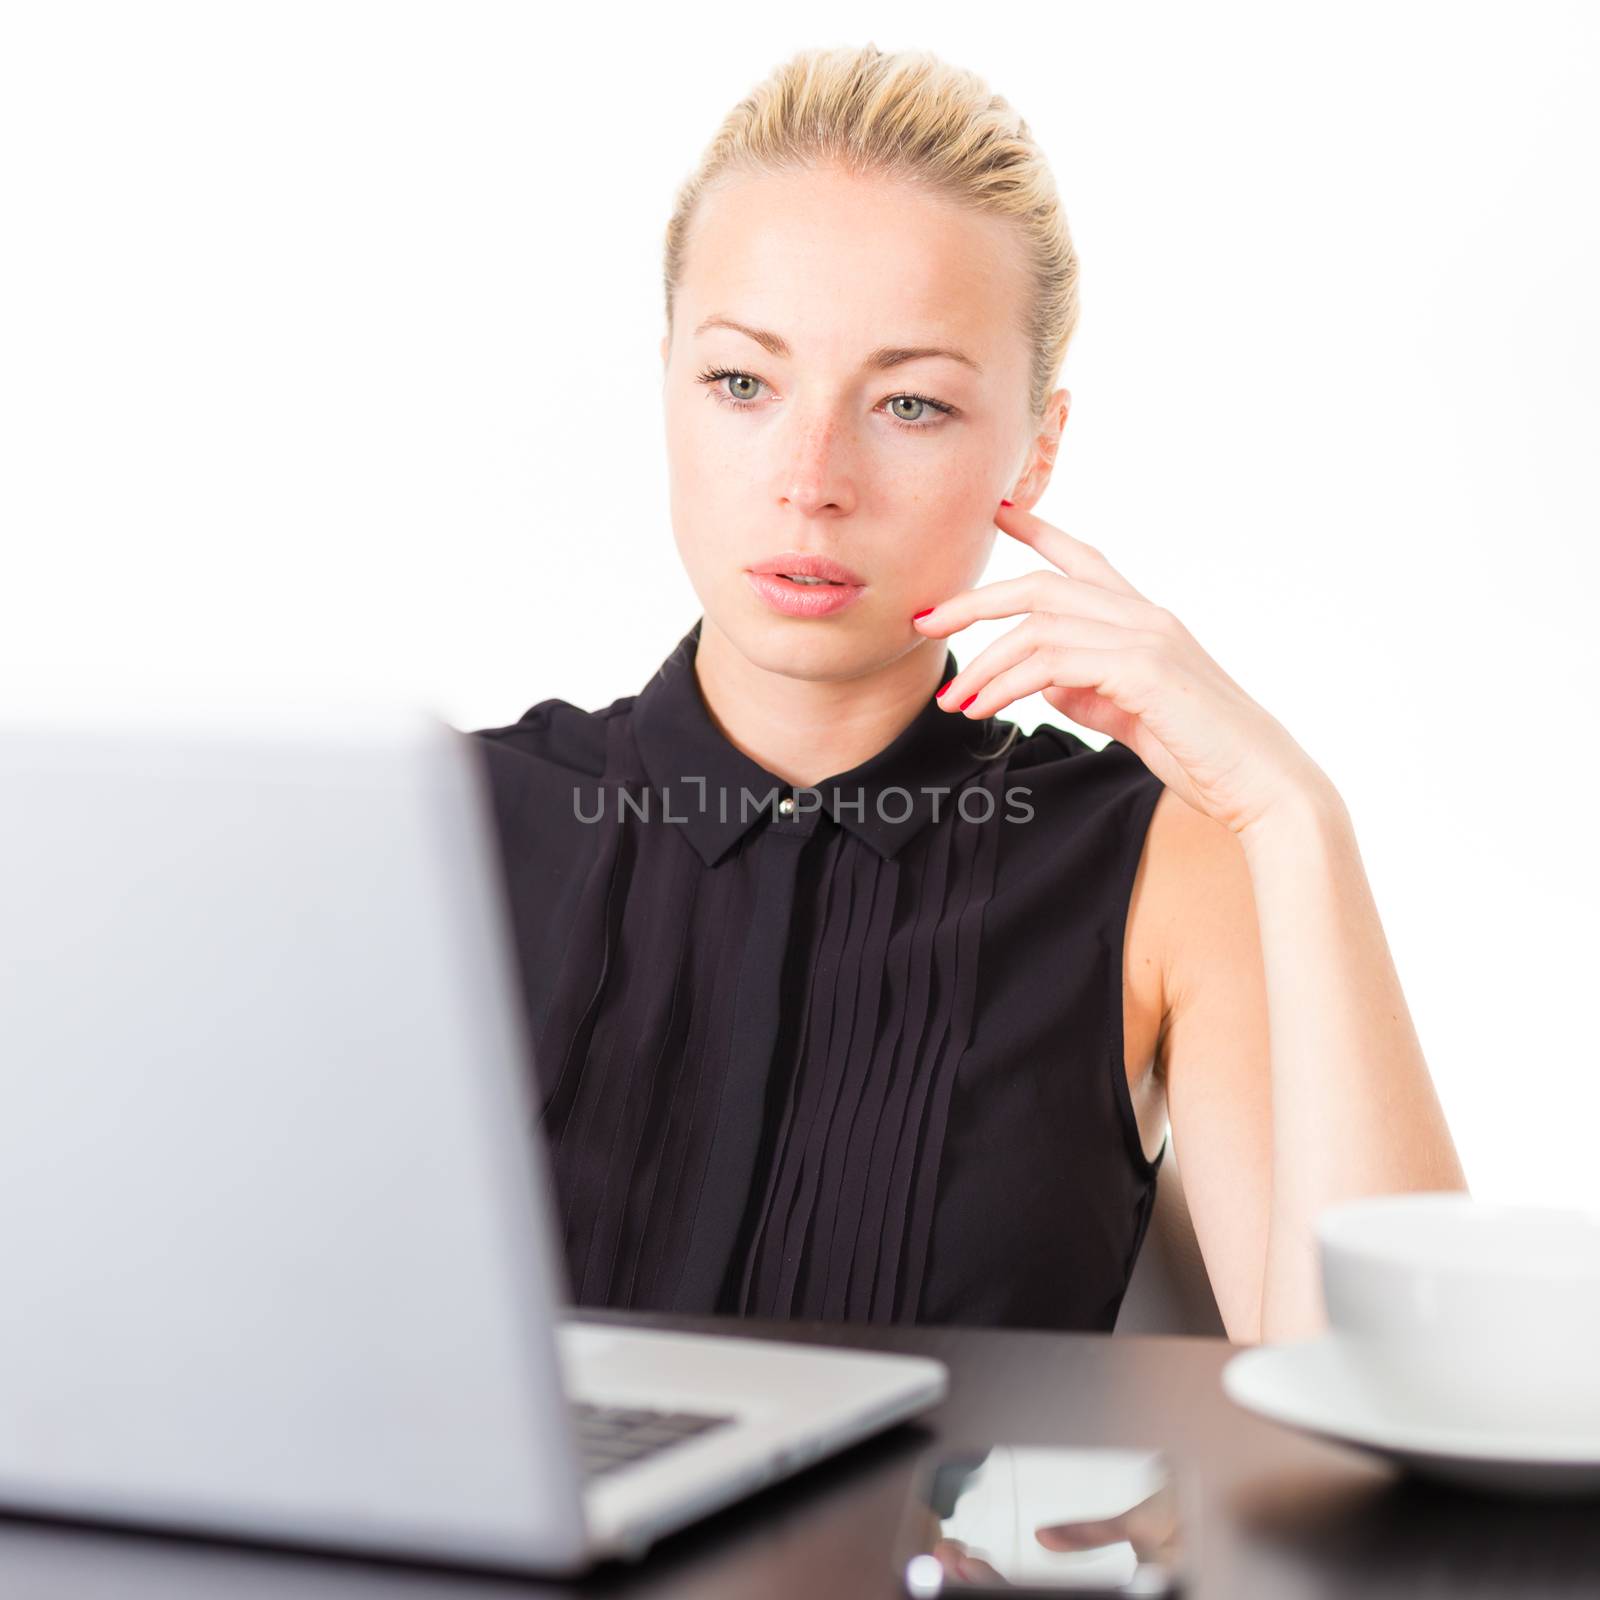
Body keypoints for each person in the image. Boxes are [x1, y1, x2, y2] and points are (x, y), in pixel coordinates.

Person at [469, 43, 1467, 1343]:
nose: (812, 475)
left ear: (1035, 450)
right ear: (668, 382)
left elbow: (1402, 1403)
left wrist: (1290, 811)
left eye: (911, 404)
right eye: (742, 383)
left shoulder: (1169, 863)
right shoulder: (443, 823)